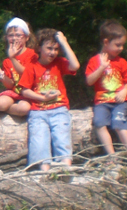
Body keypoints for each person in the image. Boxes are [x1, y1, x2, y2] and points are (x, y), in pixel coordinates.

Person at [18, 29, 80, 171]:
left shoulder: (59, 63)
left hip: (59, 109)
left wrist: (64, 43)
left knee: (62, 138)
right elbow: (24, 90)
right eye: (49, 48)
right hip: (38, 111)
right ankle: (44, 170)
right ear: (39, 48)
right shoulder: (32, 65)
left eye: (56, 49)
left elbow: (75, 66)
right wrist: (42, 98)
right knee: (39, 141)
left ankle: (65, 167)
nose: (53, 52)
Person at [84, 20, 127, 154]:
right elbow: (89, 81)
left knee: (119, 123)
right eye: (118, 45)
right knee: (99, 123)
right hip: (102, 101)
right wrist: (101, 67)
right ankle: (111, 155)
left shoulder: (122, 62)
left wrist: (124, 90)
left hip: (120, 101)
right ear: (106, 42)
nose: (121, 48)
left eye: (122, 45)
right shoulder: (95, 61)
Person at [0, 18, 37, 117]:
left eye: (18, 35)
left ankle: (2, 110)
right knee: (0, 104)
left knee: (24, 109)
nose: (14, 38)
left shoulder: (32, 55)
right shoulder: (7, 61)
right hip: (14, 93)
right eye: (11, 35)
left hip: (29, 94)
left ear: (26, 37)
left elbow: (28, 74)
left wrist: (12, 58)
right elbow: (10, 85)